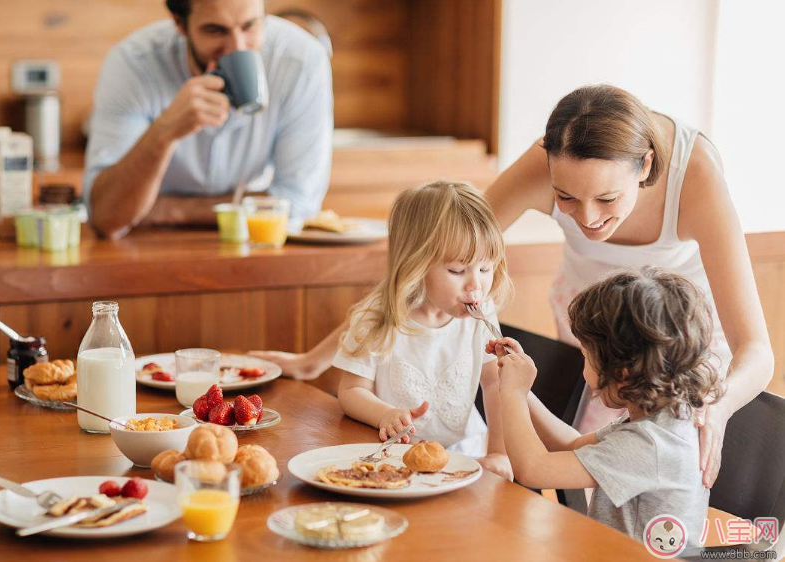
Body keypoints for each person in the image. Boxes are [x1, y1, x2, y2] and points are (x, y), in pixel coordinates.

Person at [250, 84, 774, 487]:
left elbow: (757, 350)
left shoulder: (695, 173)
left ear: (647, 167)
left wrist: (719, 406)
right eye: (565, 198)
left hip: (674, 339)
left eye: (607, 200)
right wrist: (317, 360)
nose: (587, 219)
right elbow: (424, 263)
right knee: (592, 465)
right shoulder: (548, 157)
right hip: (589, 324)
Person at [494, 267, 723, 545]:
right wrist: (524, 391)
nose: (584, 366)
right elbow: (575, 445)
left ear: (621, 373)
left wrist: (512, 394)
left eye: (585, 356)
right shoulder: (664, 419)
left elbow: (533, 469)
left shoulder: (650, 445)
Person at [84, 0, 333, 238]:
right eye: (216, 30)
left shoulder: (301, 61)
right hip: (148, 248)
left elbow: (298, 203)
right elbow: (106, 217)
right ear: (180, 24)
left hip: (250, 243)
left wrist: (168, 210)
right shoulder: (133, 64)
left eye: (250, 25)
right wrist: (164, 132)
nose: (238, 47)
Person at [333, 180, 514, 478]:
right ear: (415, 264)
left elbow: (495, 384)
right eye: (457, 271)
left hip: (463, 455)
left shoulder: (482, 314)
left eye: (485, 268)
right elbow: (351, 390)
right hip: (393, 458)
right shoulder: (377, 317)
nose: (476, 284)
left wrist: (497, 453)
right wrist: (384, 414)